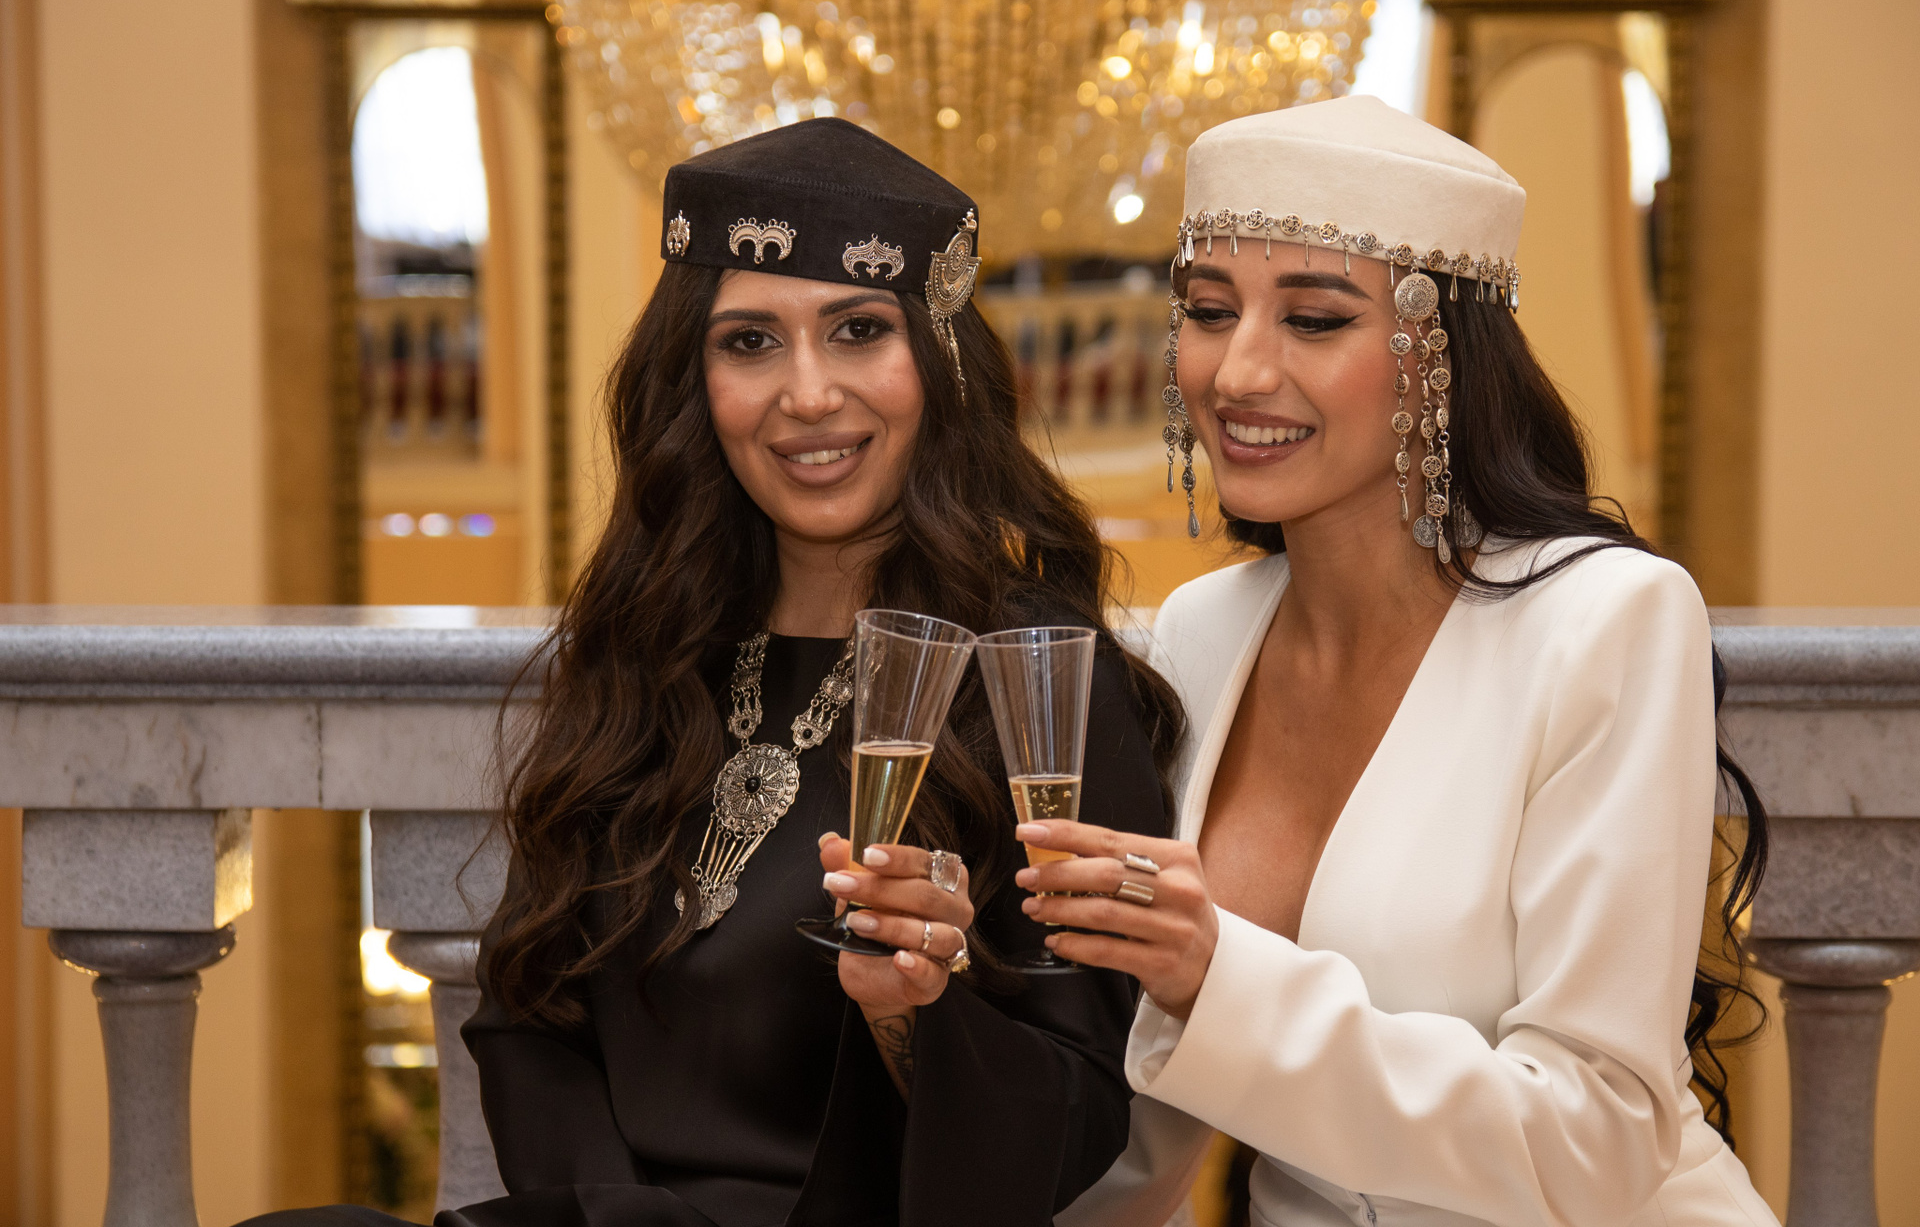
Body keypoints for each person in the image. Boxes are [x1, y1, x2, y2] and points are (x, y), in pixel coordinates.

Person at [244, 118, 1182, 1227]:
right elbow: (528, 1010)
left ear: (938, 364)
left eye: (859, 330)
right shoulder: (655, 645)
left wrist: (911, 1009)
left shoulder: (1037, 680)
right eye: (750, 341)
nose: (808, 393)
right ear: (695, 378)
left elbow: (1079, 1116)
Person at [1024, 97, 1777, 1227]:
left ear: (1443, 357)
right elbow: (1149, 1112)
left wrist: (1217, 975)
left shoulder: (1608, 619)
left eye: (1314, 320)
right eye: (1210, 312)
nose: (1237, 371)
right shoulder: (1202, 630)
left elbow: (1598, 1141)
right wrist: (925, 1007)